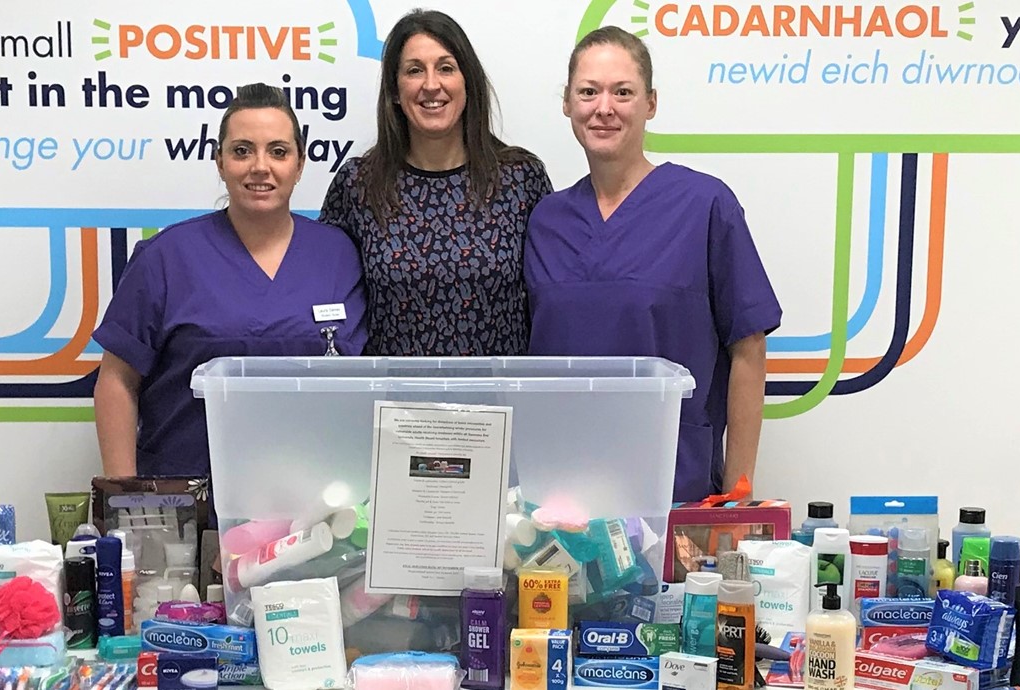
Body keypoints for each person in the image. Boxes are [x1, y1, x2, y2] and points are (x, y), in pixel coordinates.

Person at [524, 27, 782, 502]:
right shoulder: (546, 221)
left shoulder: (704, 205)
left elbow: (749, 351)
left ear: (651, 103)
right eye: (588, 92)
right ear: (567, 103)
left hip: (674, 488)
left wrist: (738, 496)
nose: (604, 107)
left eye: (623, 92)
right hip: (558, 492)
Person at [93, 83, 367, 482]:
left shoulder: (340, 255)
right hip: (189, 499)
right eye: (242, 151)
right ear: (219, 162)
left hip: (316, 499)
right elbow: (117, 381)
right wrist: (126, 499)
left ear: (300, 164)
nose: (260, 166)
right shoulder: (167, 257)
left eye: (278, 151)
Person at [320, 9, 553, 356]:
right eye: (415, 70)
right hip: (392, 403)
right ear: (395, 91)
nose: (431, 84)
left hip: (498, 403)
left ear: (467, 83)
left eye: (446, 67)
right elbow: (329, 300)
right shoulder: (358, 185)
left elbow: (550, 302)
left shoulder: (520, 178)